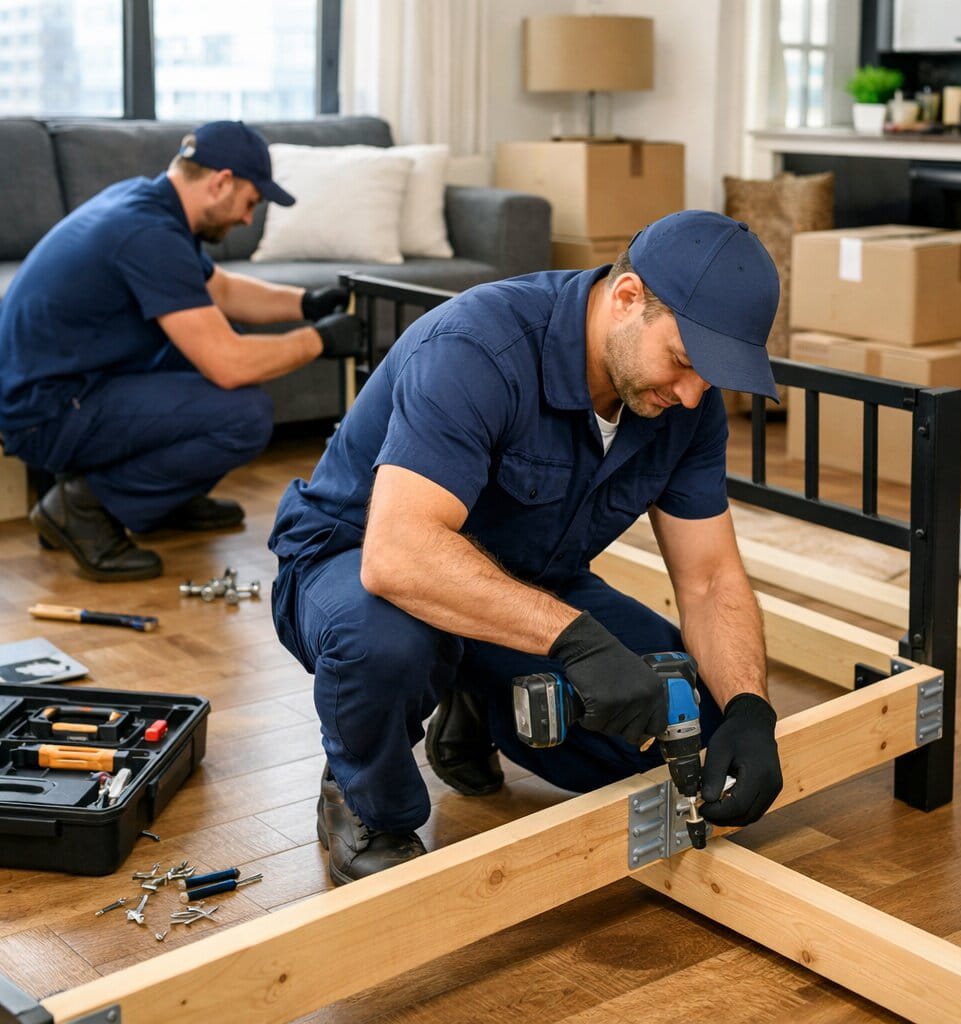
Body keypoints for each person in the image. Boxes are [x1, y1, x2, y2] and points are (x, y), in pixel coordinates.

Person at [269, 210, 785, 885]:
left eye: (710, 378)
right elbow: (398, 555)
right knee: (388, 645)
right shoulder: (479, 348)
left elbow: (711, 579)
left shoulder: (685, 407)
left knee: (689, 720)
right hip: (355, 562)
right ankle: (365, 799)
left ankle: (478, 694)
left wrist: (751, 708)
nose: (693, 395)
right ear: (627, 298)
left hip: (528, 577)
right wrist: (574, 642)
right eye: (684, 362)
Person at [0, 120, 359, 582]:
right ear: (221, 182)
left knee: (204, 334)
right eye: (251, 202)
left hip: (64, 385)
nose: (248, 219)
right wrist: (321, 341)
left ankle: (165, 497)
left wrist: (304, 304)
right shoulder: (149, 235)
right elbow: (228, 365)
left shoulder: (149, 204)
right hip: (44, 414)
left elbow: (221, 290)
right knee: (243, 413)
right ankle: (80, 507)